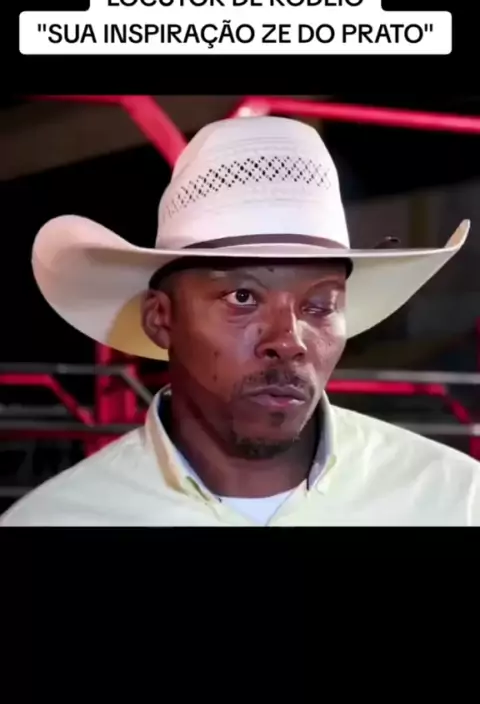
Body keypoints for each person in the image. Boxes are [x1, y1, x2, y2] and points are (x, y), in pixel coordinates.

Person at [1, 116, 478, 526]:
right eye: (243, 297)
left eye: (320, 305)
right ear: (161, 318)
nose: (288, 341)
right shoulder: (55, 520)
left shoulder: (456, 500)